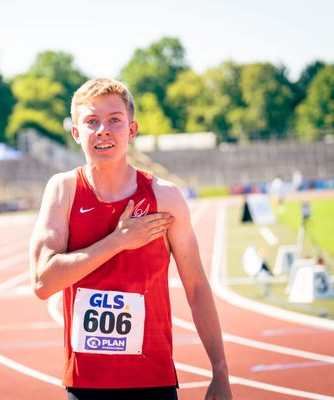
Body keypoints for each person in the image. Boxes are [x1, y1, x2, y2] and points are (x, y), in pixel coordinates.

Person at [29, 78, 232, 400]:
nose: (103, 131)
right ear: (76, 133)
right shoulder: (63, 190)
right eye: (91, 122)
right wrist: (118, 240)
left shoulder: (164, 197)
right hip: (86, 385)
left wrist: (220, 371)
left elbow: (196, 288)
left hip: (154, 380)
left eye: (114, 121)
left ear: (132, 130)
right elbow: (43, 282)